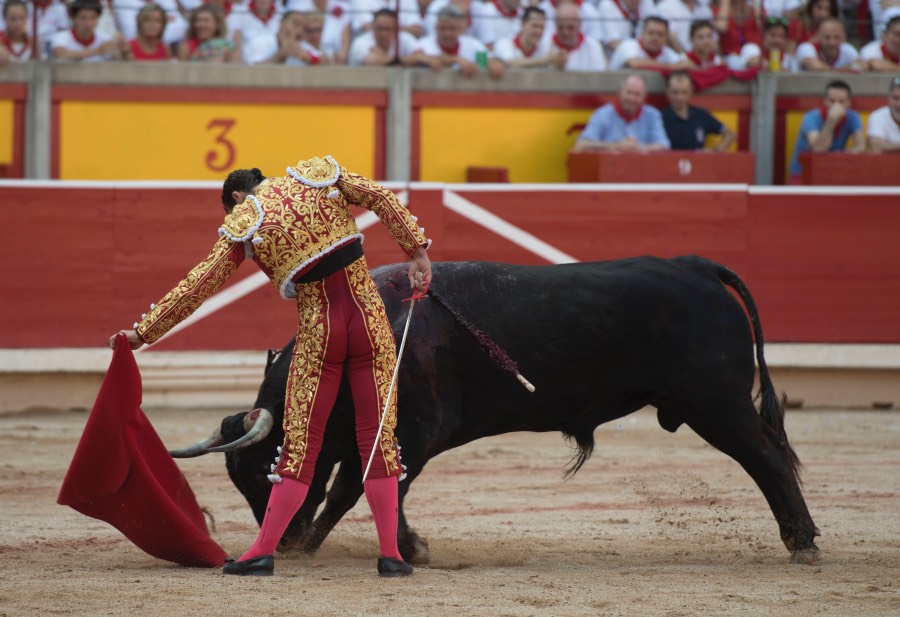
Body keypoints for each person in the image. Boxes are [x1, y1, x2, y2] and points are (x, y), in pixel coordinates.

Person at [108, 158, 433, 577]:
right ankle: (391, 555)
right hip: (370, 322)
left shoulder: (246, 219)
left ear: (238, 198)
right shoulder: (316, 176)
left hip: (321, 331)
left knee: (301, 447)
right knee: (377, 440)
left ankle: (262, 552)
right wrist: (417, 253)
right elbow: (381, 198)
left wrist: (143, 333)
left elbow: (200, 283)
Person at [788, 79, 865, 181]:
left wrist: (838, 155)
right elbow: (819, 149)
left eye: (841, 101)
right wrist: (831, 120)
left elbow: (860, 147)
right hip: (803, 174)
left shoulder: (853, 117)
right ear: (824, 101)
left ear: (848, 103)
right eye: (832, 101)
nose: (836, 106)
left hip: (833, 173)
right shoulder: (811, 117)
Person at [573, 73, 671, 152]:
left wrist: (639, 148)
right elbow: (581, 144)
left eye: (637, 94)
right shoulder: (602, 114)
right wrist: (616, 146)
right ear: (619, 93)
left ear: (644, 97)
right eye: (629, 92)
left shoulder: (652, 115)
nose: (632, 98)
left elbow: (664, 145)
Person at [411, 4, 505, 79]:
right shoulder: (424, 45)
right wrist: (456, 59)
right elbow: (408, 60)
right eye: (443, 28)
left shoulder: (473, 44)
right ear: (436, 27)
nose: (447, 33)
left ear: (460, 29)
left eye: (452, 29)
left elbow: (489, 59)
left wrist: (494, 63)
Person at [662, 71, 737, 150]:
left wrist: (716, 150)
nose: (680, 98)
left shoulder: (701, 115)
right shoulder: (660, 119)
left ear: (691, 91)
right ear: (667, 92)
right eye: (675, 92)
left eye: (684, 92)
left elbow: (730, 134)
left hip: (699, 161)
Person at [609, 16, 693, 71]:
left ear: (666, 38)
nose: (655, 37)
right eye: (651, 33)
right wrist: (673, 67)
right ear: (642, 34)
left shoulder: (667, 52)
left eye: (660, 34)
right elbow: (634, 63)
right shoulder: (629, 45)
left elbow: (687, 65)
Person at [51, 0, 124, 62]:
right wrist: (97, 51)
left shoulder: (105, 38)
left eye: (93, 18)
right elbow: (59, 54)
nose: (88, 23)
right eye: (83, 18)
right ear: (73, 18)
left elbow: (117, 60)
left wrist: (121, 51)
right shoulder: (61, 37)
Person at [545, 1, 607, 72]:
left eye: (570, 27)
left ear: (579, 25)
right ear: (555, 24)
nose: (565, 32)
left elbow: (599, 77)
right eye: (561, 27)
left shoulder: (593, 47)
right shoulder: (546, 46)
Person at [348, 8, 420, 66]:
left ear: (396, 29)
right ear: (373, 27)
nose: (383, 33)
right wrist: (406, 61)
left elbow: (421, 57)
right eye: (380, 28)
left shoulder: (404, 38)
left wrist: (385, 57)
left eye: (388, 29)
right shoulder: (360, 42)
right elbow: (372, 62)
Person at [793, 18, 863, 72]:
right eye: (827, 37)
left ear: (843, 38)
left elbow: (862, 65)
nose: (832, 42)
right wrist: (847, 69)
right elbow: (816, 67)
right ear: (818, 36)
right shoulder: (806, 47)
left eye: (836, 37)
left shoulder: (847, 49)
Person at [866, 75, 900, 152]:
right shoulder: (877, 116)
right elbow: (876, 146)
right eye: (895, 98)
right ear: (888, 98)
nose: (899, 104)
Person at [0, 0, 31, 65]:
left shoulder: (31, 42)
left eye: (21, 18)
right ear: (5, 19)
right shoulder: (1, 39)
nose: (18, 23)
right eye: (13, 19)